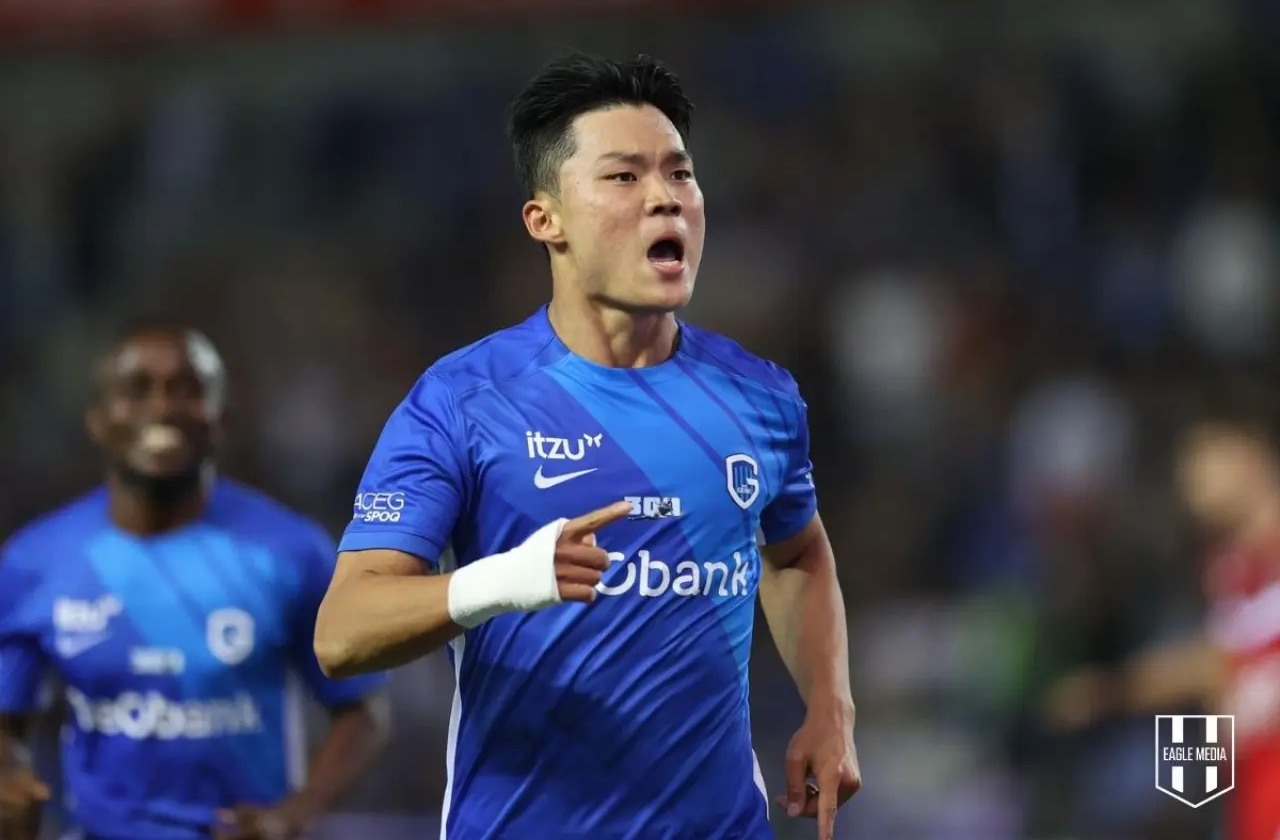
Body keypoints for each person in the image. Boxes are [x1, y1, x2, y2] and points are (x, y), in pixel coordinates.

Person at [314, 52, 862, 840]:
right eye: (624, 177)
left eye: (680, 173)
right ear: (547, 220)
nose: (665, 197)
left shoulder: (759, 395)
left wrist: (830, 706)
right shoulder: (462, 401)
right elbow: (341, 631)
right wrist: (504, 580)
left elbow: (797, 553)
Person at [0, 319, 389, 840]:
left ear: (221, 417)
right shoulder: (35, 562)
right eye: (137, 389)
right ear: (97, 418)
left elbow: (362, 712)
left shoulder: (291, 551)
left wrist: (292, 814)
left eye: (187, 390)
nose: (162, 408)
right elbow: (6, 721)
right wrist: (9, 779)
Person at [1043, 413, 1280, 840]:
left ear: (1252, 450)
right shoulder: (1224, 568)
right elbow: (1214, 680)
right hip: (1254, 805)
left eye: (1203, 457)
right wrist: (1192, 797)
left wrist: (1114, 689)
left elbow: (1206, 667)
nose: (1190, 480)